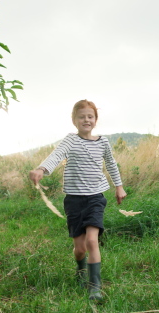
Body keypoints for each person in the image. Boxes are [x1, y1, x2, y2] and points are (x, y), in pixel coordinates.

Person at [28, 99, 127, 302]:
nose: (86, 120)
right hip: (74, 200)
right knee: (80, 249)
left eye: (90, 116)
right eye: (81, 116)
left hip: (95, 198)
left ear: (95, 120)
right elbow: (55, 156)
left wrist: (119, 186)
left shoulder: (103, 142)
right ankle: (81, 270)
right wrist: (41, 169)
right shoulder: (70, 140)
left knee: (92, 241)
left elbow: (111, 163)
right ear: (74, 120)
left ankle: (95, 288)